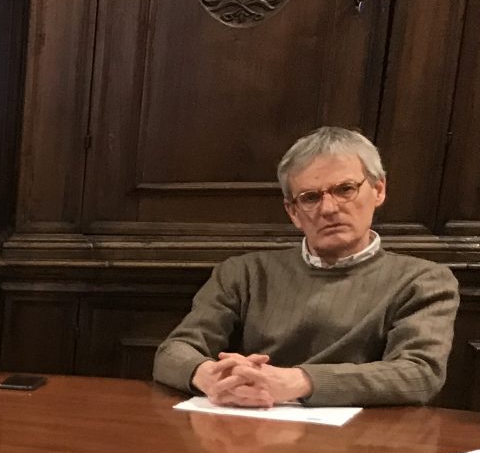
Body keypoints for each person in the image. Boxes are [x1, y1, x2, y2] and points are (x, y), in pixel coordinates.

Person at [153, 126, 458, 408]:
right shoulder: (244, 273)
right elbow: (173, 352)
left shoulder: (423, 280)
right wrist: (210, 376)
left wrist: (298, 382)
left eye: (345, 189)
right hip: (248, 427)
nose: (329, 208)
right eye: (310, 197)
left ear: (379, 190)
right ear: (293, 212)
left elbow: (420, 373)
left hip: (360, 440)